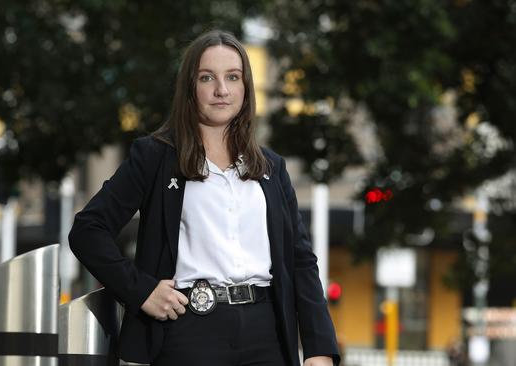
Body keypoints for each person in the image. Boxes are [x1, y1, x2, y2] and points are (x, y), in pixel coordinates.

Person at [68, 29, 340, 366]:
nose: (222, 90)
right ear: (190, 87)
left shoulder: (272, 168)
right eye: (207, 77)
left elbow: (300, 261)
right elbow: (88, 230)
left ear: (245, 88)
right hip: (188, 332)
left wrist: (319, 348)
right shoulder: (154, 157)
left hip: (267, 335)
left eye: (233, 77)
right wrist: (142, 291)